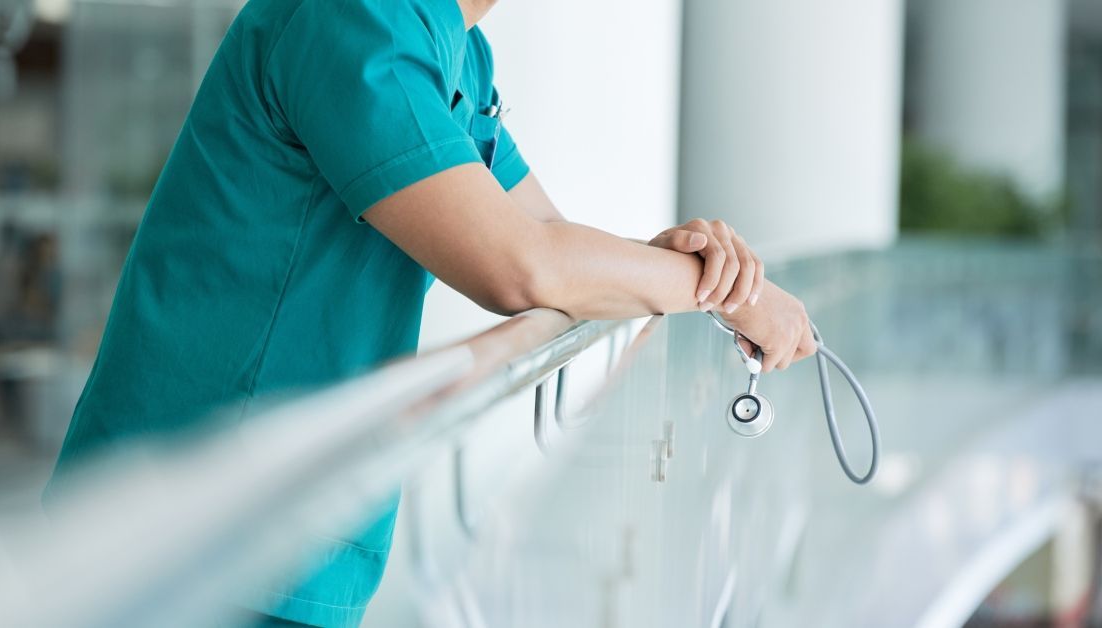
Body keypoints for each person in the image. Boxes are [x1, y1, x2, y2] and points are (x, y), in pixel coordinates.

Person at [45, 0, 817, 626]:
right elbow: (517, 266)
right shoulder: (351, 17)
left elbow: (545, 237)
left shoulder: (456, 48)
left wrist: (680, 264)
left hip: (295, 513)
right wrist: (741, 295)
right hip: (196, 521)